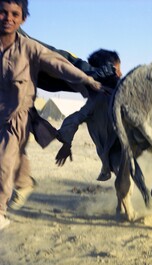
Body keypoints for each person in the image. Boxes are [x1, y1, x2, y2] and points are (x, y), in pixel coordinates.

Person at [0, 0, 109, 230]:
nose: (7, 17)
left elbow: (58, 60)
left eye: (13, 14)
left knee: (6, 153)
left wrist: (92, 76)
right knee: (11, 151)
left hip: (19, 106)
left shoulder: (24, 44)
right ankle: (24, 182)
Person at [55, 49, 122, 181]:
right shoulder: (97, 99)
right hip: (113, 153)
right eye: (116, 70)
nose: (120, 74)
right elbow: (74, 119)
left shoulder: (121, 91)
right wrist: (66, 143)